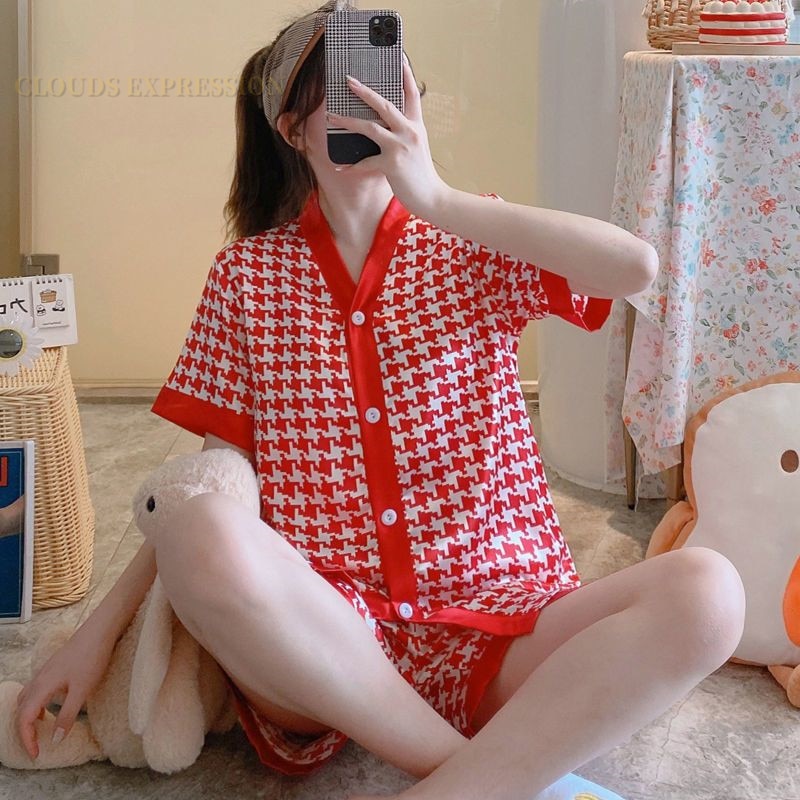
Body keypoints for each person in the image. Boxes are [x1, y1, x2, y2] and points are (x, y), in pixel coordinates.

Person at [15, 2, 746, 799]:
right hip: (323, 647)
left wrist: (438, 200)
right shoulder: (246, 278)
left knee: (708, 592)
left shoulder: (474, 238)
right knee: (197, 521)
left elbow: (634, 269)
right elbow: (212, 485)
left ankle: (452, 787)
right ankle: (497, 776)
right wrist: (96, 636)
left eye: (388, 86)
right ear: (293, 130)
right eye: (345, 91)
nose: (372, 105)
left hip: (500, 626)